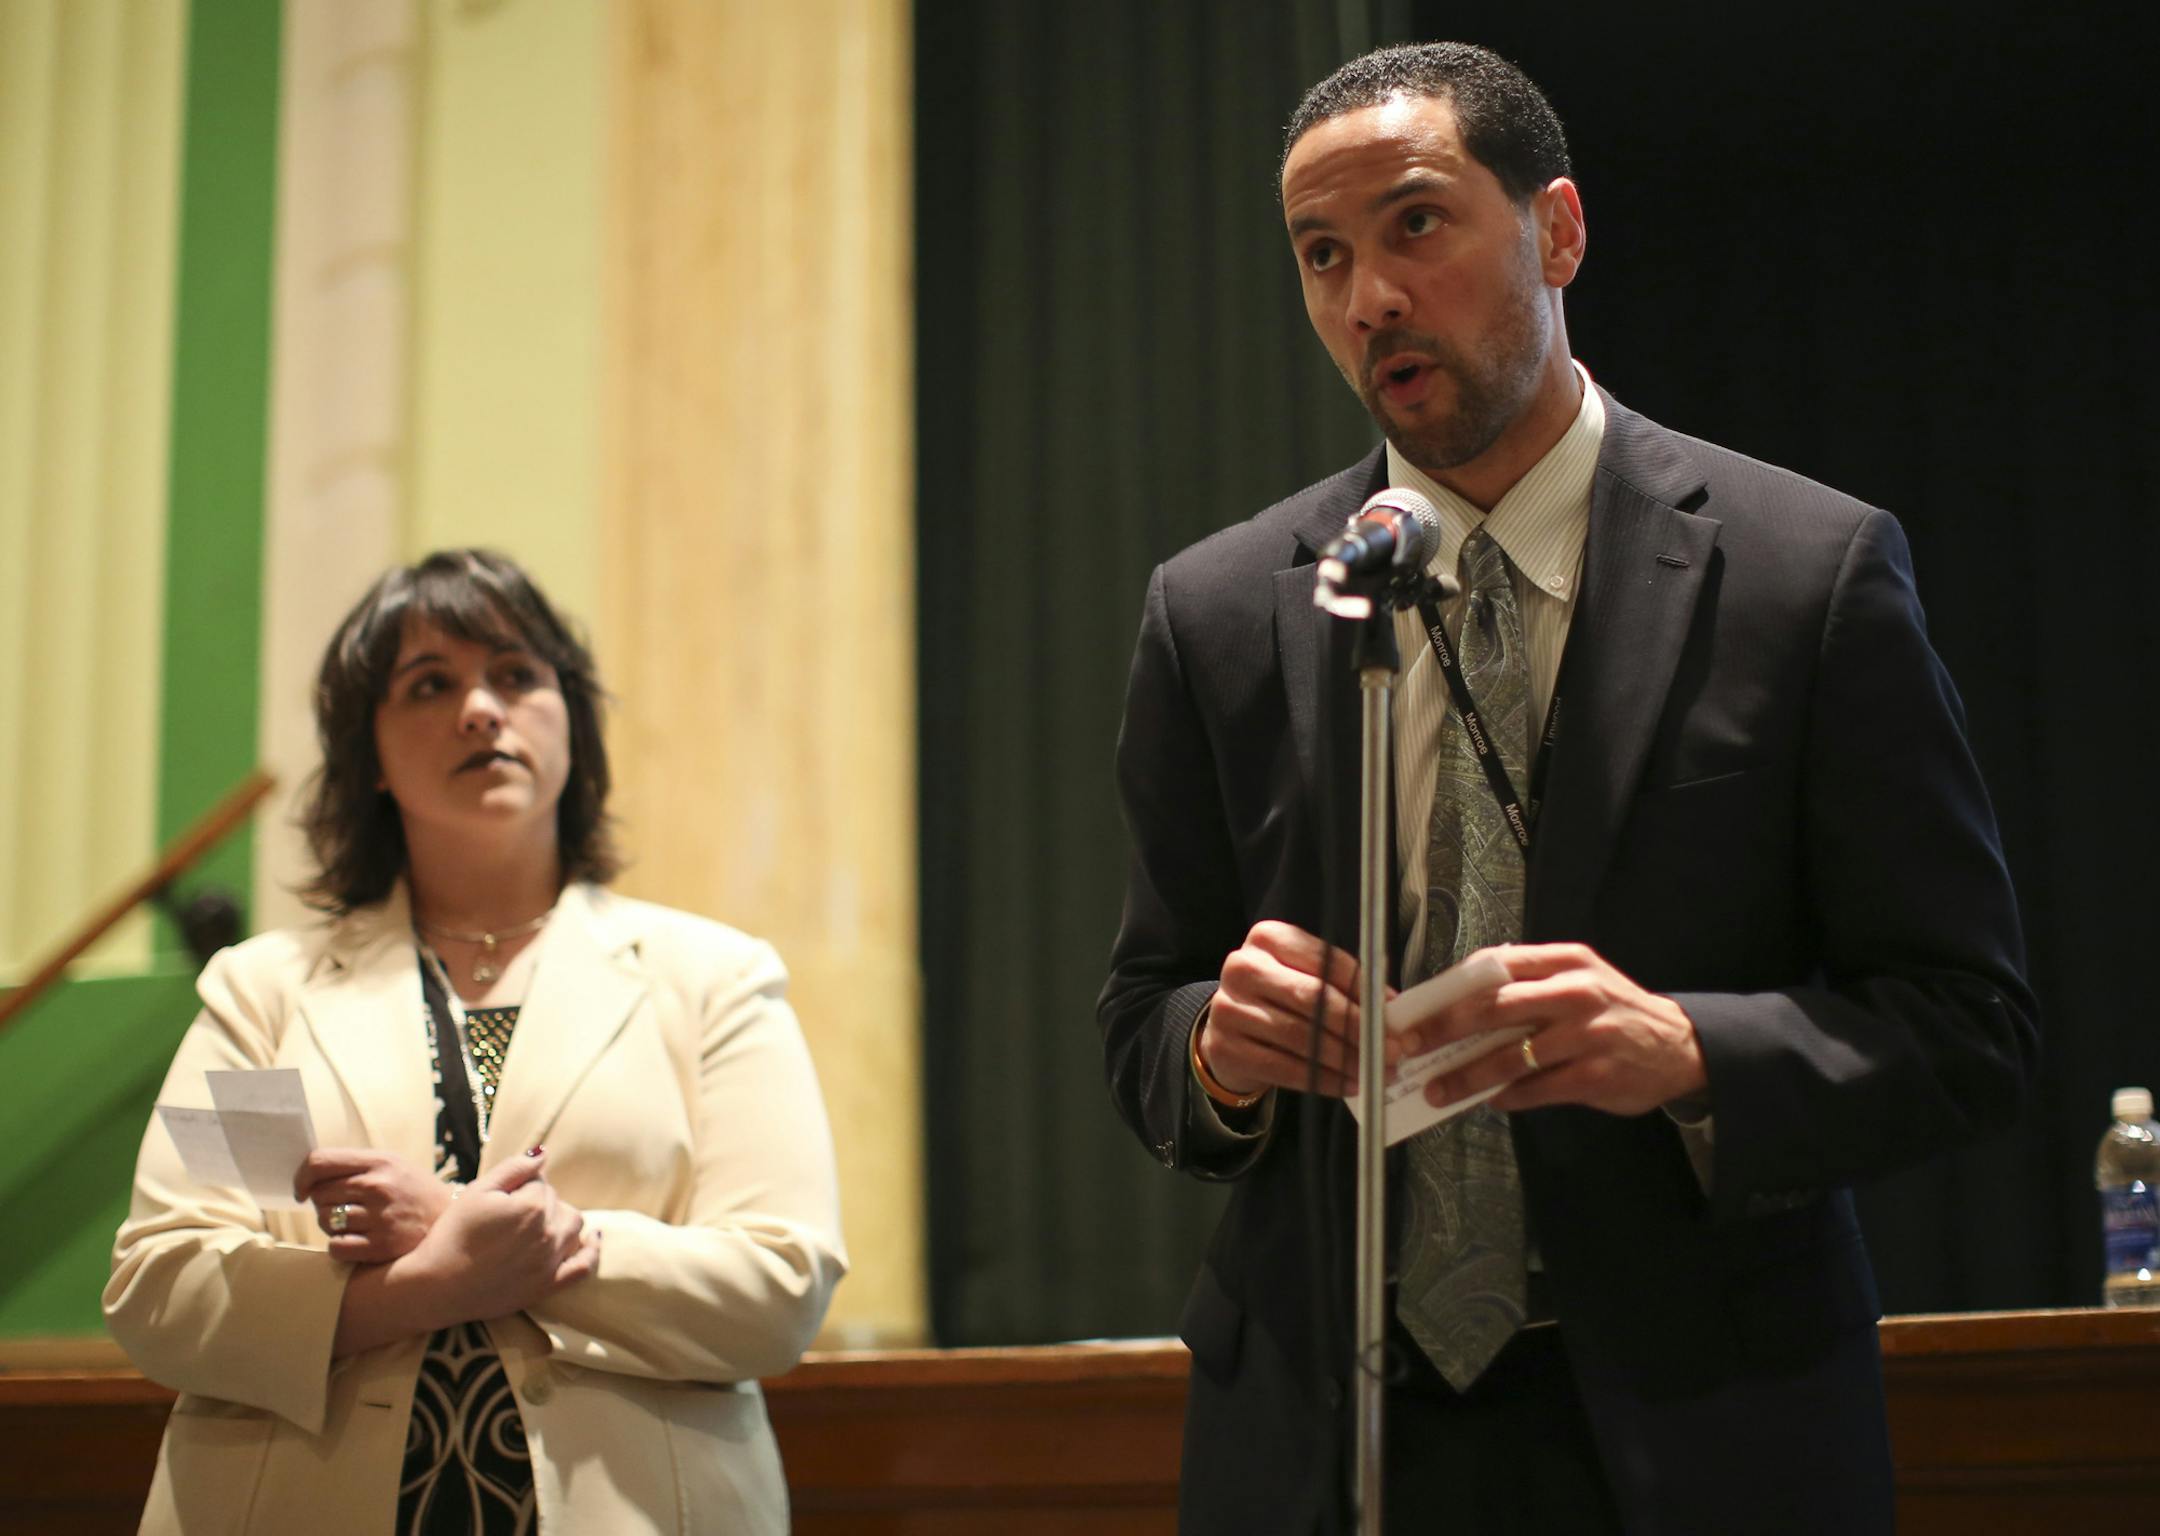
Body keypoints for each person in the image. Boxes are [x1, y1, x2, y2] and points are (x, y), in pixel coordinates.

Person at [1098, 41, 2037, 1535]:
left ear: (1559, 231)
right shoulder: (1221, 609)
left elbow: (1969, 1026)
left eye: (1416, 225)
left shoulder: (1806, 576)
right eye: (1323, 256)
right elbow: (1144, 1008)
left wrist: (1690, 1052)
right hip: (1324, 1440)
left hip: (1697, 1432)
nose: (1369, 299)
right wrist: (1216, 1050)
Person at [107, 549, 846, 1534]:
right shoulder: (259, 992)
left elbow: (777, 1288)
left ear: (571, 722)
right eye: (430, 685)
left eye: (516, 675)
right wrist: (433, 1282)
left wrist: (500, 1239)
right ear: (368, 756)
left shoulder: (714, 977)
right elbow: (164, 1283)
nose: (480, 710)